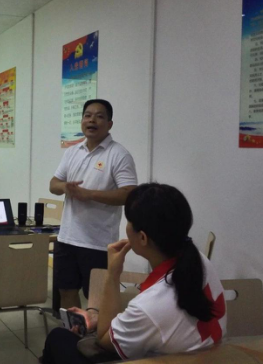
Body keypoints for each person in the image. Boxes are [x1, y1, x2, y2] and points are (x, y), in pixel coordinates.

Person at [41, 183, 227, 363]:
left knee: (58, 337)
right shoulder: (200, 261)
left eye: (129, 221)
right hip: (205, 356)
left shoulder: (149, 306)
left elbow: (104, 341)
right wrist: (102, 318)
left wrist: (113, 275)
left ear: (143, 237)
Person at [50, 99, 137, 308]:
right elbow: (53, 184)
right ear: (82, 121)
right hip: (67, 238)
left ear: (109, 124)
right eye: (88, 115)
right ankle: (73, 327)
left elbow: (130, 194)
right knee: (66, 291)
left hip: (98, 243)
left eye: (99, 116)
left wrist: (89, 194)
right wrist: (65, 187)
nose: (92, 120)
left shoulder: (119, 154)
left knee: (97, 299)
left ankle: (95, 330)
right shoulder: (72, 152)